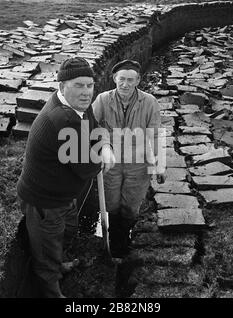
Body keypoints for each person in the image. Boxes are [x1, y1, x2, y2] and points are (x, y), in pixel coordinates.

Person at [17, 57, 115, 298]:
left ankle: (59, 263)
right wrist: (103, 156)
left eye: (90, 85)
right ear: (62, 86)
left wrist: (105, 144)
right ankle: (52, 291)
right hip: (45, 202)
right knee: (45, 256)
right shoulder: (64, 119)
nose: (86, 92)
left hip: (62, 193)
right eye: (78, 85)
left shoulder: (78, 106)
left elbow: (95, 128)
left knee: (63, 234)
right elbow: (88, 168)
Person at [92, 59, 165, 259]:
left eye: (130, 80)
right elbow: (90, 127)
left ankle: (125, 241)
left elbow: (156, 133)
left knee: (131, 206)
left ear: (138, 80)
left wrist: (159, 163)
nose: (125, 84)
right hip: (110, 163)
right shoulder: (102, 100)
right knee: (110, 204)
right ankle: (111, 243)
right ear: (114, 78)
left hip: (138, 164)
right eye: (121, 79)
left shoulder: (149, 102)